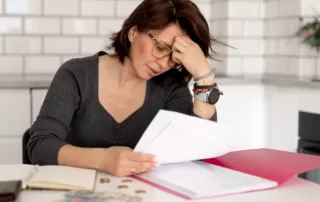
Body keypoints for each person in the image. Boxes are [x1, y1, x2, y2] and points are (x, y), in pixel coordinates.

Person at [27, 0, 222, 177]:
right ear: (133, 32)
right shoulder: (76, 74)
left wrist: (205, 77)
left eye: (174, 58)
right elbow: (41, 146)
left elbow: (195, 151)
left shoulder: (171, 86)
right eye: (160, 48)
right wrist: (103, 159)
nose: (163, 64)